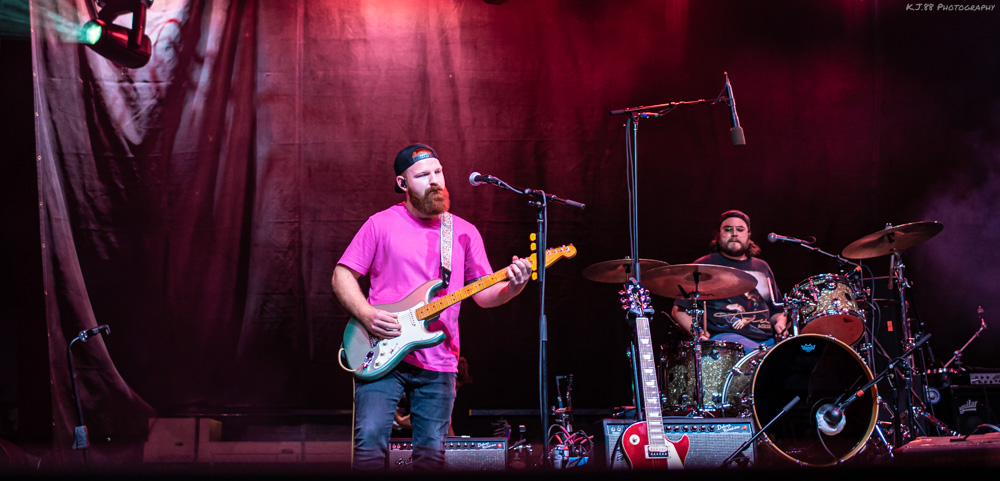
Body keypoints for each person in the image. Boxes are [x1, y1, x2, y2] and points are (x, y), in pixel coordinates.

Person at [332, 143, 533, 471]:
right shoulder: (380, 224)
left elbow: (483, 295)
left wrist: (515, 285)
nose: (435, 179)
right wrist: (367, 314)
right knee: (369, 446)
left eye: (438, 172)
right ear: (403, 183)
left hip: (439, 362)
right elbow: (342, 275)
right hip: (379, 350)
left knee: (431, 458)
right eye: (423, 175)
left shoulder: (463, 232)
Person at [670, 210, 788, 351]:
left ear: (749, 235)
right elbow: (679, 310)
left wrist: (780, 323)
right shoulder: (704, 266)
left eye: (740, 229)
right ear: (718, 235)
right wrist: (699, 334)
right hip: (727, 341)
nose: (734, 233)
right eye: (728, 229)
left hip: (767, 341)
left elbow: (777, 311)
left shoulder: (762, 266)